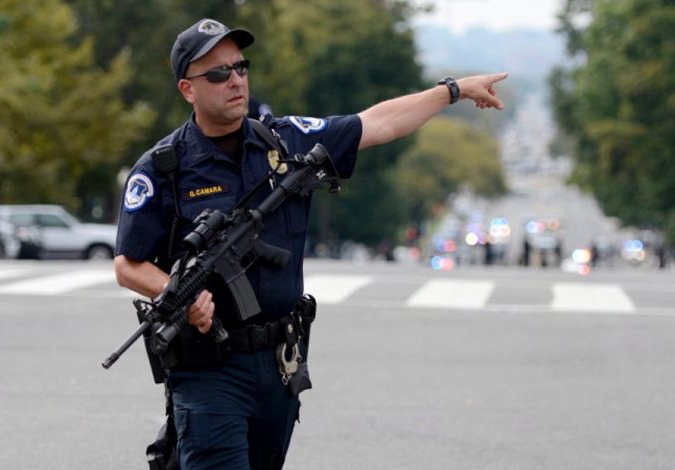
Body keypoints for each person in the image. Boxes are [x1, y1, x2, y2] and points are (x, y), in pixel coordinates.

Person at [114, 18, 507, 470]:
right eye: (218, 73)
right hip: (209, 368)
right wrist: (176, 297)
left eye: (240, 67)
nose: (236, 80)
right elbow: (128, 264)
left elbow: (376, 123)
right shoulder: (162, 168)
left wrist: (453, 91)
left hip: (279, 363)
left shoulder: (285, 140)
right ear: (188, 89)